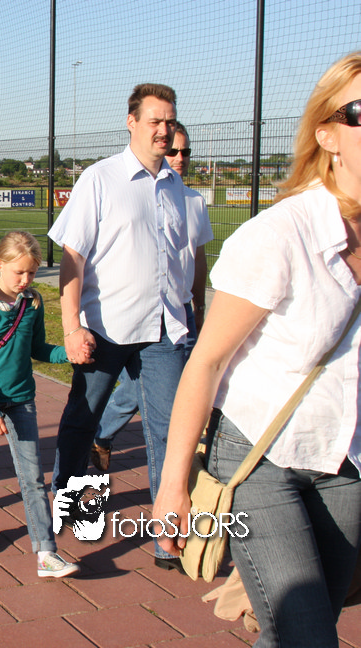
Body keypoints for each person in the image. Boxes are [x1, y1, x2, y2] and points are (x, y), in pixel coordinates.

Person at [154, 53, 361, 647]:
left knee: (305, 623)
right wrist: (172, 486)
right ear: (327, 135)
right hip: (258, 457)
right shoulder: (281, 234)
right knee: (308, 635)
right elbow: (208, 361)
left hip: (345, 459)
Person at [48, 83, 194, 572]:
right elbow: (72, 257)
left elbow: (183, 261)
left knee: (169, 432)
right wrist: (71, 327)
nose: (164, 130)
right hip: (105, 329)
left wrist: (190, 315)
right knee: (82, 420)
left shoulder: (175, 187)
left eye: (169, 121)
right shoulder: (101, 178)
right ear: (131, 122)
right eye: (155, 121)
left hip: (164, 330)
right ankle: (66, 505)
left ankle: (167, 538)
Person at [89, 122, 212, 472]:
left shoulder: (193, 201)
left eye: (185, 151)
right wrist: (74, 322)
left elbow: (197, 257)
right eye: (173, 150)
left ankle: (165, 491)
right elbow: (80, 253)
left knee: (163, 411)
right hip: (125, 317)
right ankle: (96, 444)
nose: (179, 157)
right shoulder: (117, 185)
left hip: (177, 315)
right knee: (102, 406)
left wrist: (199, 305)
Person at [0, 231, 79, 577]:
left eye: (32, 273)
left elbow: (38, 349)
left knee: (32, 477)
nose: (26, 280)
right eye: (19, 272)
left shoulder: (32, 304)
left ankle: (46, 552)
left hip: (21, 401)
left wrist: (69, 353)